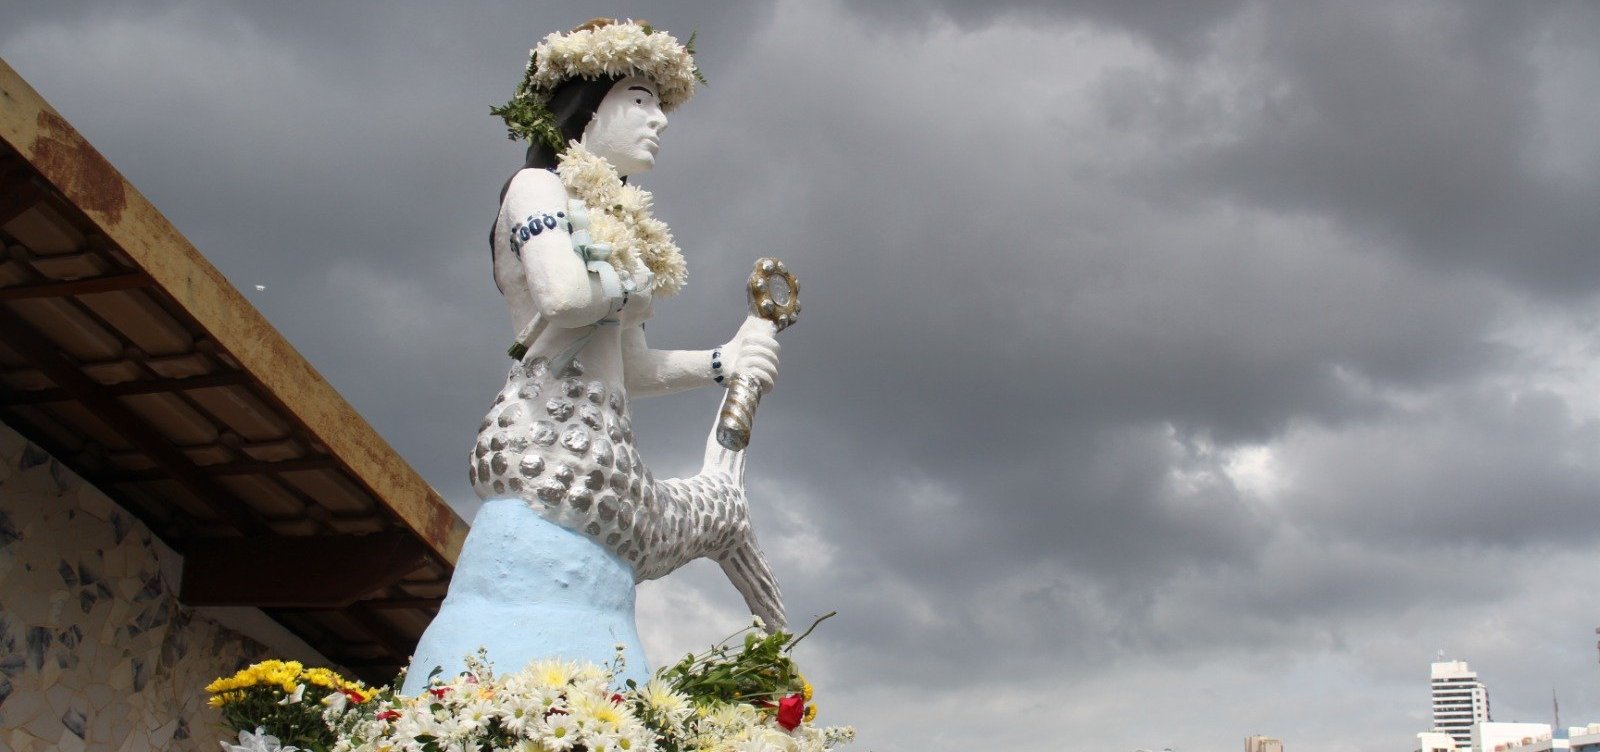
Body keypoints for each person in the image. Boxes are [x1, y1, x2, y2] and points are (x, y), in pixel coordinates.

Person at [405, 20, 784, 692]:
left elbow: (629, 369)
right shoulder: (536, 190)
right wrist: (630, 281)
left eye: (660, 106)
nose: (658, 120)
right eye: (639, 99)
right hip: (544, 445)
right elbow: (563, 294)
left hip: (605, 456)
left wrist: (723, 363)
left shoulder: (613, 218)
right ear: (587, 103)